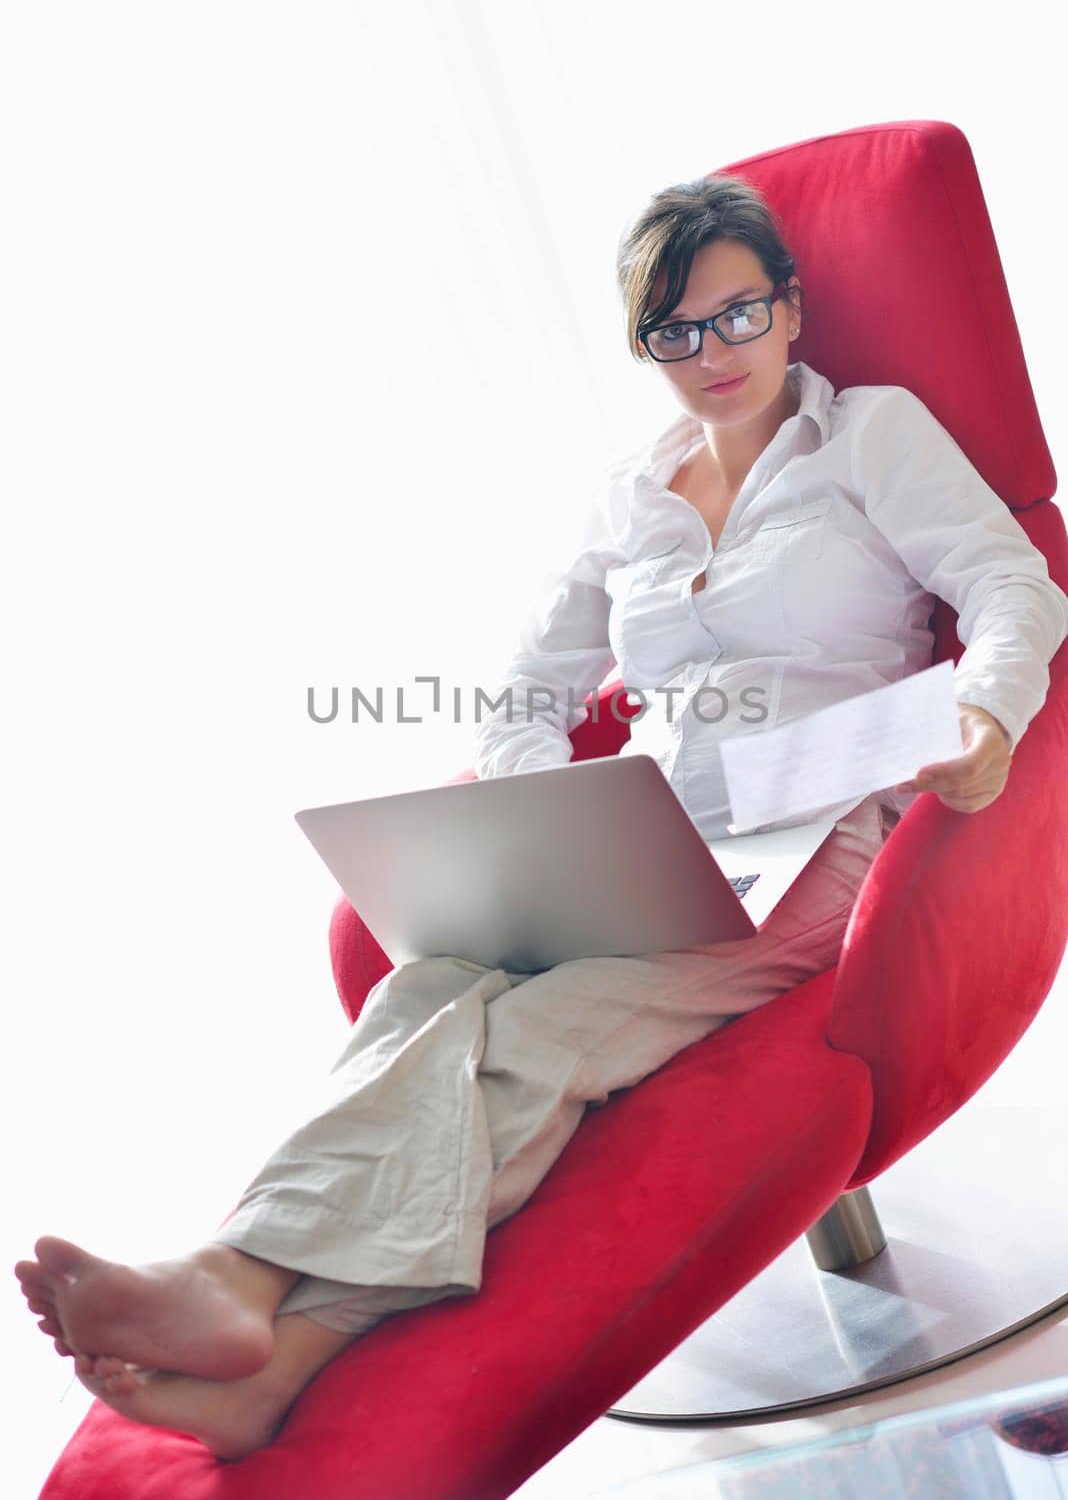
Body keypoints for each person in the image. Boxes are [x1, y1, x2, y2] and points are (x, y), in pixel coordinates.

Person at [16, 174, 1068, 1462]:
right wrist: (545, 806)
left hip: (828, 845)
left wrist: (989, 718)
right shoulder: (638, 492)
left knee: (544, 1028)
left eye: (738, 315)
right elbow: (527, 689)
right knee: (431, 987)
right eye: (674, 332)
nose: (713, 353)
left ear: (790, 311)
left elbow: (1015, 586)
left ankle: (253, 1299)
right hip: (663, 842)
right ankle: (255, 1334)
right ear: (645, 348)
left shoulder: (870, 436)